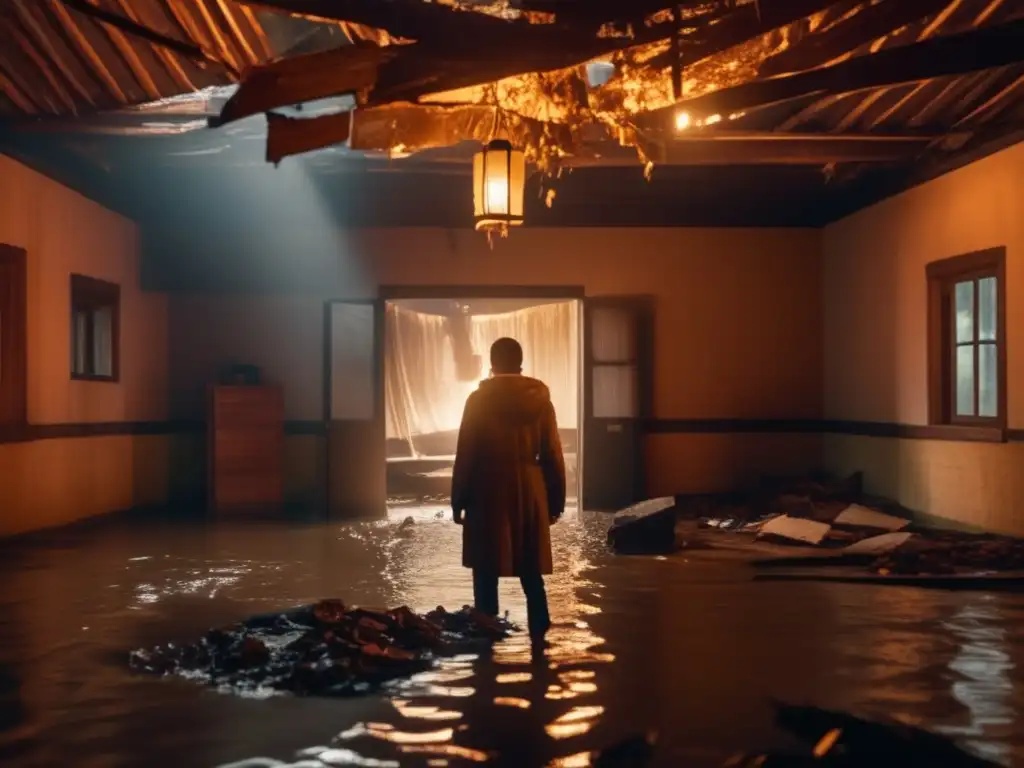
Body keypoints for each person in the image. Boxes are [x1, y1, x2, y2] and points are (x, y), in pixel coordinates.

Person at [451, 337, 567, 640]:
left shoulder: (477, 401)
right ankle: (540, 643)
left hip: (485, 488)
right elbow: (553, 454)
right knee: (532, 570)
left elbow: (466, 452)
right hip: (530, 487)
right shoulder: (540, 401)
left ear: (492, 365)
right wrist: (555, 503)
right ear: (520, 364)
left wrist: (458, 500)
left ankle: (487, 648)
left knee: (486, 569)